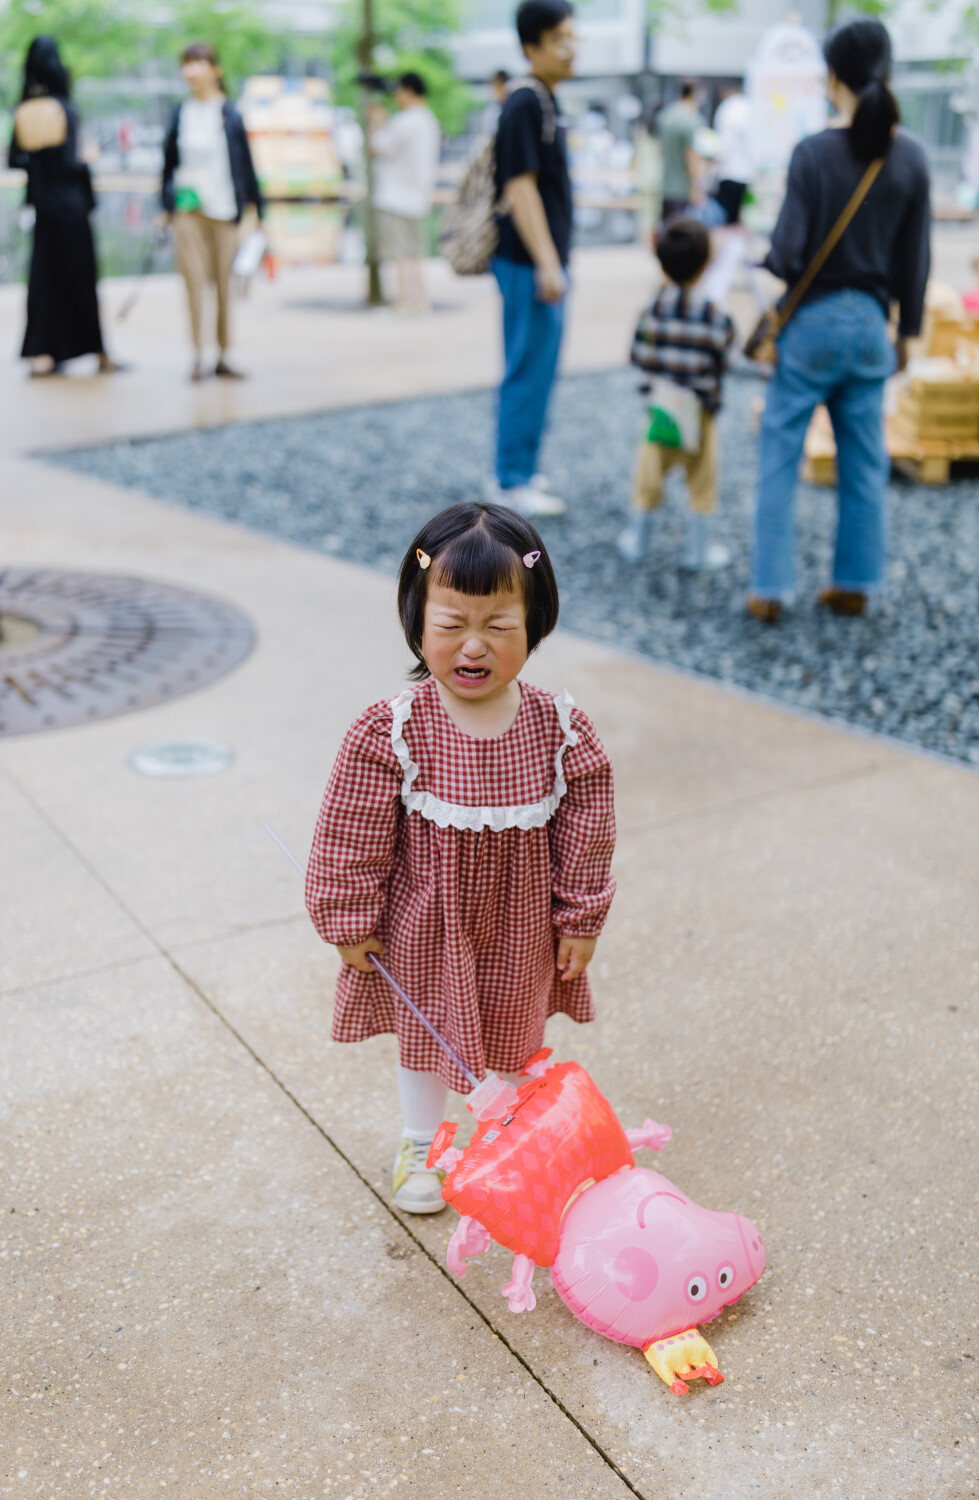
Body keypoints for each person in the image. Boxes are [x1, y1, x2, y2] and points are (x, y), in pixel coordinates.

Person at [305, 503, 616, 1214]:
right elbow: (350, 831)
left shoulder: (559, 728)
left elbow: (589, 828)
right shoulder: (392, 730)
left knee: (513, 1028)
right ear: (417, 623)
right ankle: (424, 1140)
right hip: (427, 919)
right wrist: (347, 915)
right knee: (427, 1032)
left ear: (534, 625)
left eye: (498, 627)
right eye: (451, 626)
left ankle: (508, 1139)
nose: (473, 647)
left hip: (520, 919)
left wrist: (582, 916)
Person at [749, 17, 931, 624]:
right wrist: (907, 333)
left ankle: (770, 589)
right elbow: (916, 256)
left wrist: (763, 257)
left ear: (831, 77)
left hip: (812, 327)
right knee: (864, 461)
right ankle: (853, 584)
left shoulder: (813, 152)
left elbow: (788, 254)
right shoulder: (911, 158)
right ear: (888, 74)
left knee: (779, 452)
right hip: (872, 328)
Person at [489, 0, 577, 518]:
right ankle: (511, 478)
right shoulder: (526, 102)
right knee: (528, 366)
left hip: (535, 260)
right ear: (532, 47)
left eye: (573, 36)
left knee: (535, 367)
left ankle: (517, 468)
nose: (572, 47)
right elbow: (520, 188)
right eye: (561, 38)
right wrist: (548, 261)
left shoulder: (542, 99)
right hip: (528, 261)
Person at [618, 218, 735, 567]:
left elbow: (637, 355)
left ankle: (638, 540)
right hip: (700, 410)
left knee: (648, 476)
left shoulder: (651, 311)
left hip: (661, 409)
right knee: (702, 479)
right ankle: (698, 551)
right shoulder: (716, 315)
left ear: (661, 263)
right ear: (705, 265)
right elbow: (724, 356)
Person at [9, 36, 121, 377]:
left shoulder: (25, 109)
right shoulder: (64, 109)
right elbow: (72, 163)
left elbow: (16, 159)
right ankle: (99, 351)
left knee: (44, 279)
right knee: (81, 277)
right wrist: (88, 156)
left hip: (43, 207)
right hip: (71, 208)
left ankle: (42, 353)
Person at [162, 42, 264, 382]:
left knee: (224, 283)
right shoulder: (180, 113)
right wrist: (166, 206)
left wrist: (256, 208)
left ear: (215, 70)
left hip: (225, 209)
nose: (190, 71)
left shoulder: (230, 114)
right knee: (193, 282)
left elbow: (245, 165)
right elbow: (168, 165)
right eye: (186, 64)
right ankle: (197, 355)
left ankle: (224, 353)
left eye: (197, 63)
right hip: (189, 210)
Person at [369, 72, 441, 315]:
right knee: (416, 255)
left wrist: (377, 121)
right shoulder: (430, 120)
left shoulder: (404, 121)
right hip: (419, 197)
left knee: (400, 256)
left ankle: (403, 303)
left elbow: (377, 146)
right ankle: (420, 301)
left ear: (408, 91)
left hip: (396, 198)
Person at [657, 80, 706, 224]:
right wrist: (696, 188)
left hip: (666, 185)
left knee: (668, 231)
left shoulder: (666, 116)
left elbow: (660, 149)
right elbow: (692, 157)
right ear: (696, 93)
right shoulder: (692, 120)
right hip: (683, 189)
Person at [712, 84, 753, 226]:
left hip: (729, 172)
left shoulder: (728, 109)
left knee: (726, 220)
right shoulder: (746, 107)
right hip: (744, 172)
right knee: (736, 219)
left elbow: (723, 147)